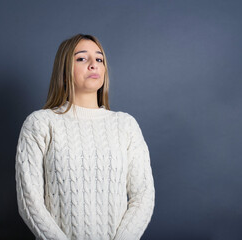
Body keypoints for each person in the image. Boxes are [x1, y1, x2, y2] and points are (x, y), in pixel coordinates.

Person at [15, 33, 155, 240]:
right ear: (63, 72)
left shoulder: (125, 125)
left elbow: (142, 196)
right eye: (81, 58)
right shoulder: (40, 123)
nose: (93, 64)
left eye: (99, 59)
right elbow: (29, 200)